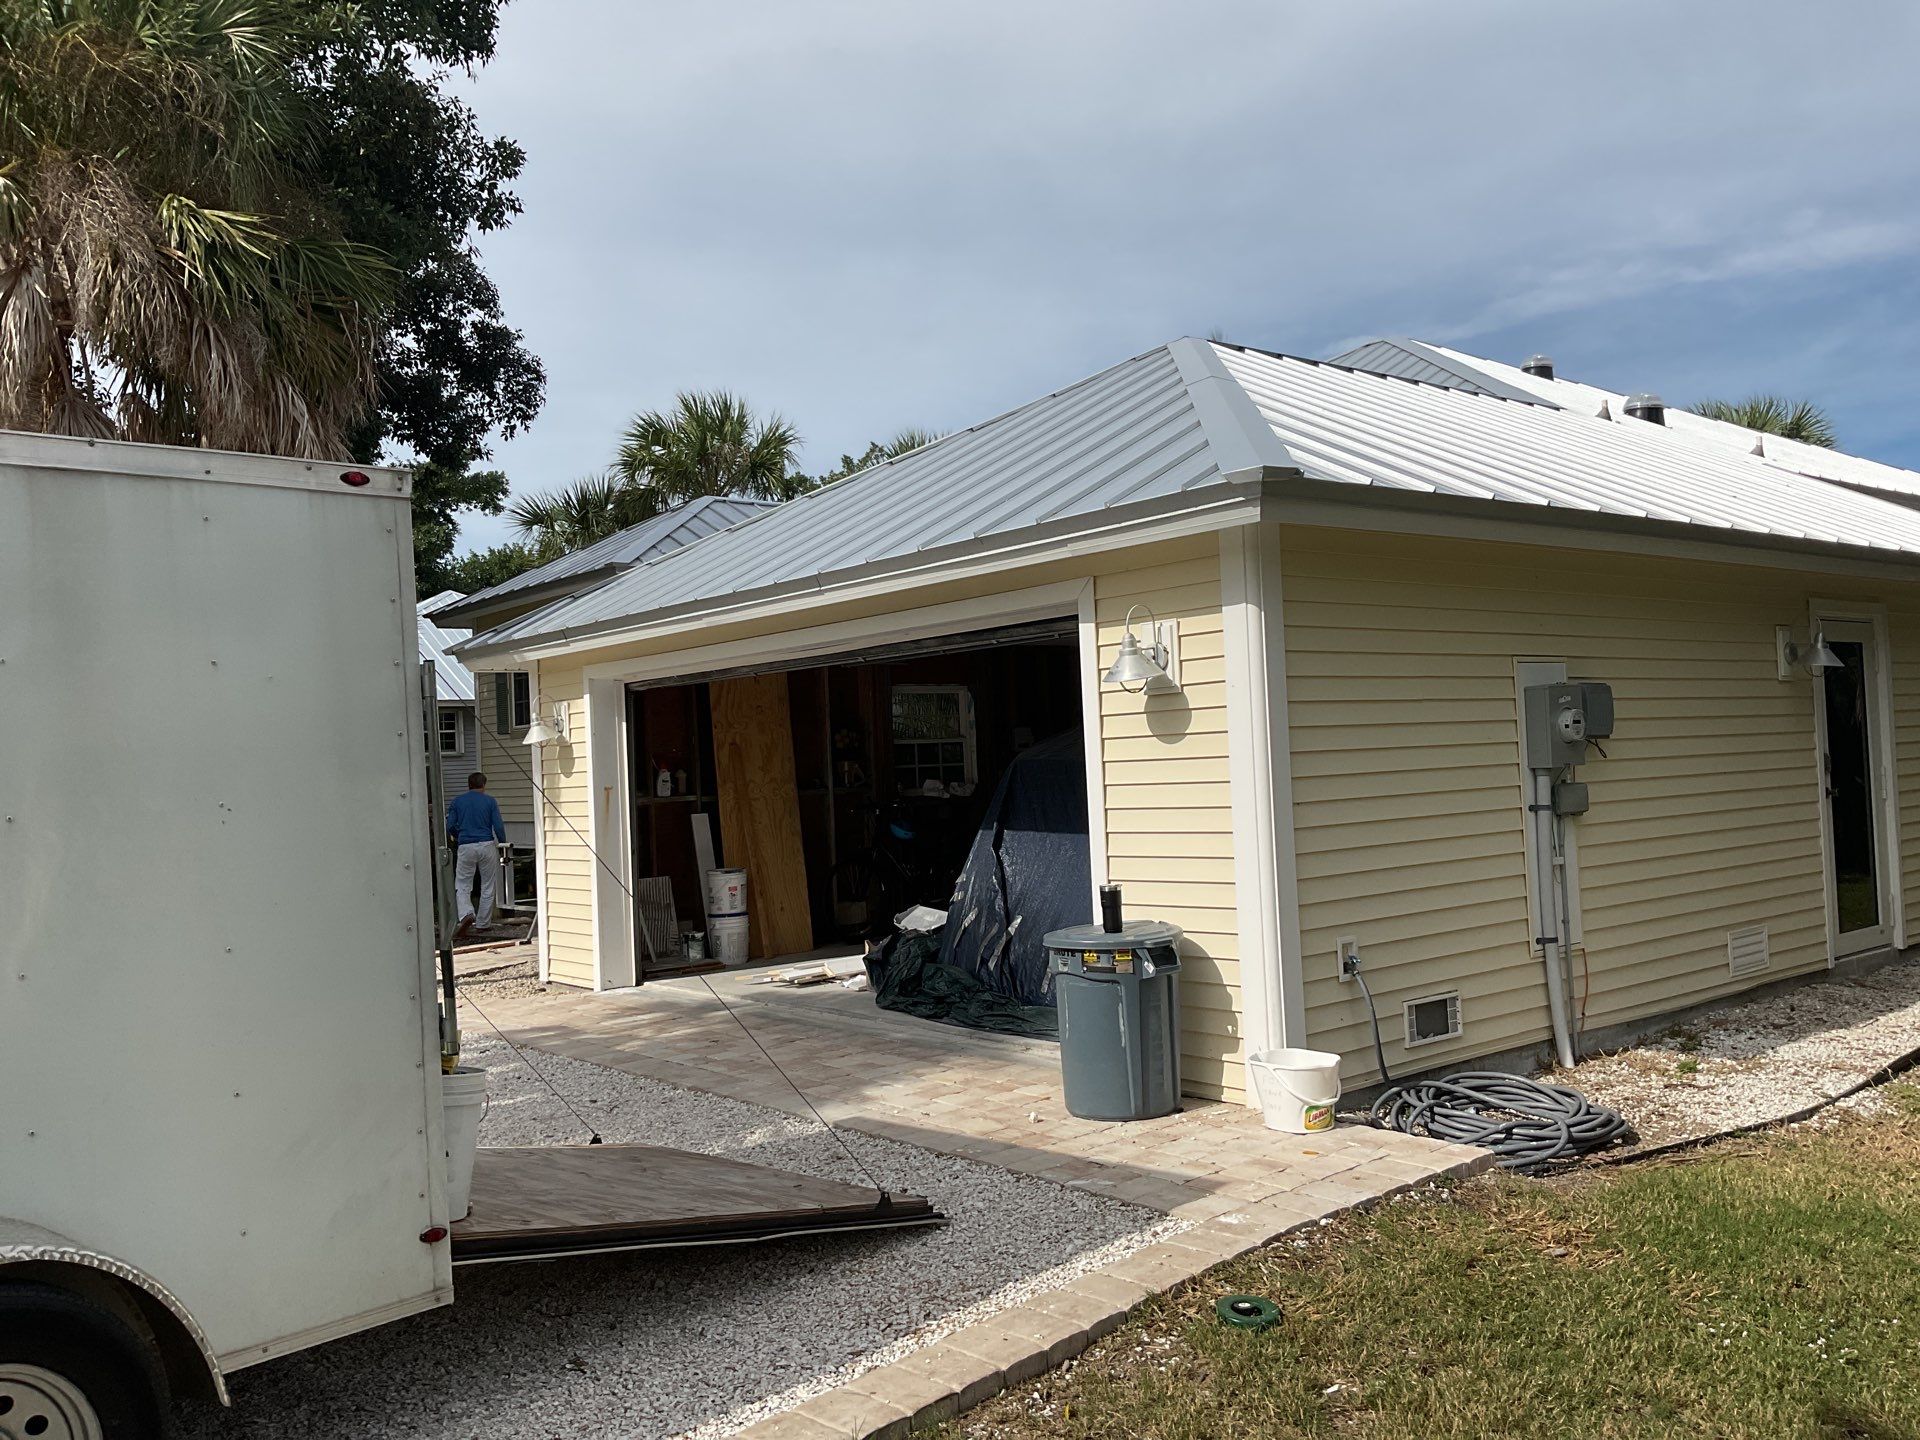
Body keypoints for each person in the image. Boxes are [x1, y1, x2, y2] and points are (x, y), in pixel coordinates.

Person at [446, 772, 508, 939]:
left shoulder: (458, 802)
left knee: (463, 883)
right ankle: (483, 923)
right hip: (487, 844)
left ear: (469, 784)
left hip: (466, 845)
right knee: (488, 884)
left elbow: (450, 824)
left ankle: (466, 913)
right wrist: (502, 842)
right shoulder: (490, 801)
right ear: (484, 785)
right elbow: (498, 825)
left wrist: (458, 835)